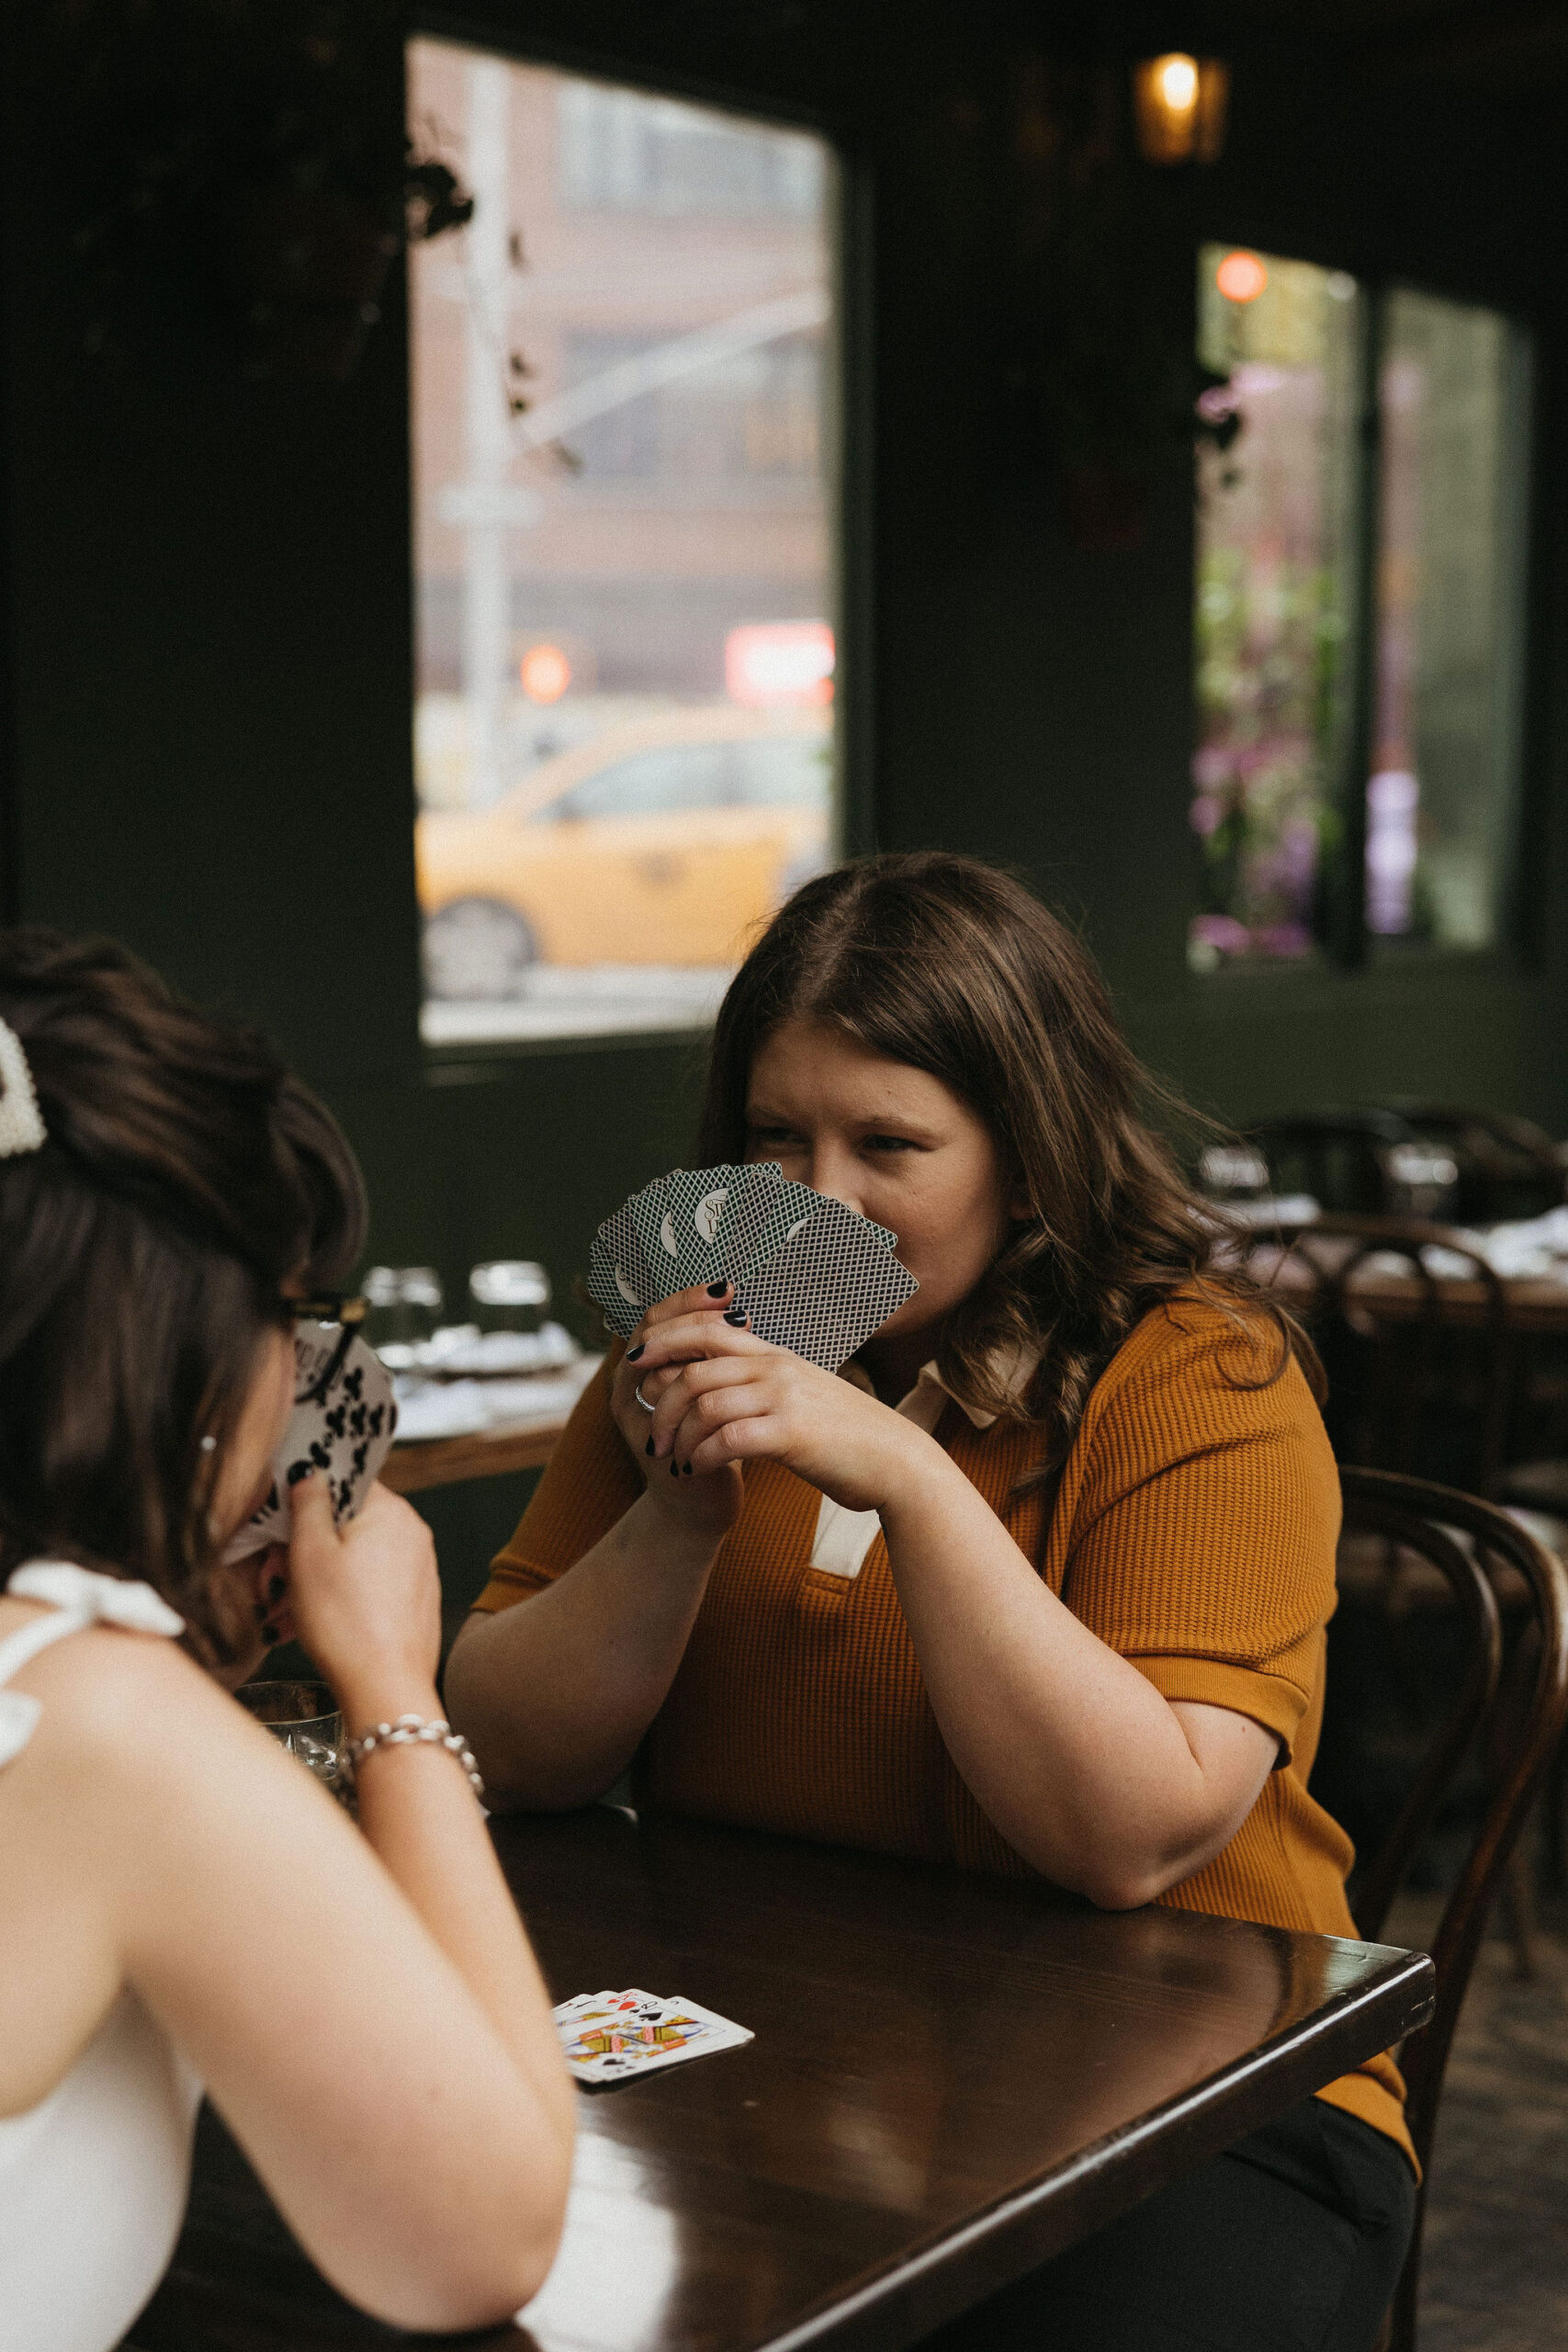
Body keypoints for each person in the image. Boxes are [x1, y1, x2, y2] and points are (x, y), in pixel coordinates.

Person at [447, 852, 1417, 2352]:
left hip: (1208, 2096)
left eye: (890, 1144)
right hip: (792, 2059)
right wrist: (675, 1521)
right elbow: (507, 1752)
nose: (817, 1202)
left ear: (1026, 1160)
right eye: (777, 1135)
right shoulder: (681, 1356)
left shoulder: (1202, 1373)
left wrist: (904, 1471)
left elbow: (1131, 1838)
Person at [0, 930, 574, 2352]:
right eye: (277, 1308)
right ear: (178, 1345)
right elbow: (481, 2239)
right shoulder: (102, 1723)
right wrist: (392, 1687)